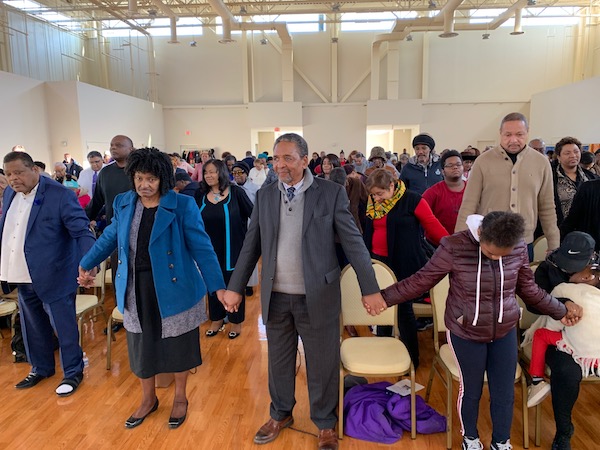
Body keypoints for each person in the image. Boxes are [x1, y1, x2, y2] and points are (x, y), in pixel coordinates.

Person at [222, 133, 387, 450]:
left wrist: (370, 288)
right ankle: (280, 413)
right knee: (279, 362)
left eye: (287, 158)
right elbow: (251, 245)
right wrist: (235, 287)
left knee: (322, 362)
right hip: (276, 296)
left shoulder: (331, 193)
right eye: (276, 158)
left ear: (304, 160)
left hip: (318, 295)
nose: (280, 165)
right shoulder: (266, 195)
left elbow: (353, 242)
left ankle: (325, 422)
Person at [380, 211, 572, 450]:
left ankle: (501, 441)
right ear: (480, 234)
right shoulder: (454, 246)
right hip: (466, 332)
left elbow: (528, 289)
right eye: (490, 253)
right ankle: (470, 438)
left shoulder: (518, 248)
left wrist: (560, 310)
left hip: (504, 330)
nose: (496, 258)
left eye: (502, 255)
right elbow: (422, 280)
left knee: (504, 392)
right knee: (471, 390)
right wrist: (384, 298)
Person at [78, 148, 225, 429]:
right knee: (141, 346)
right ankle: (148, 399)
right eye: (139, 178)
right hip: (135, 286)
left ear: (163, 179)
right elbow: (109, 236)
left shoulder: (182, 205)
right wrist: (86, 262)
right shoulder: (124, 202)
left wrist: (218, 288)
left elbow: (202, 248)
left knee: (178, 345)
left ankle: (180, 397)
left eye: (151, 179)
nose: (144, 185)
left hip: (175, 286)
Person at [1, 151, 95, 397]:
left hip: (55, 274)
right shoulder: (10, 193)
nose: (13, 178)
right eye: (8, 174)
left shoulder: (60, 195)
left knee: (63, 328)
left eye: (18, 172)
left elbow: (82, 232)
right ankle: (41, 368)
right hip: (21, 273)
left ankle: (73, 372)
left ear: (34, 170)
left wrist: (89, 262)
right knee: (32, 327)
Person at [364, 168, 448, 367]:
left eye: (380, 193)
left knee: (403, 310)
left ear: (391, 186)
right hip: (378, 262)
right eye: (373, 195)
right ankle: (384, 355)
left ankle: (411, 360)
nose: (376, 199)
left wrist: (452, 246)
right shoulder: (373, 203)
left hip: (403, 262)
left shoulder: (412, 199)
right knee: (381, 308)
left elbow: (431, 224)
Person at [456, 112, 560, 259]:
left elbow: (547, 206)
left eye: (519, 134)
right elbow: (469, 204)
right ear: (500, 133)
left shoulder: (541, 163)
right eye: (508, 135)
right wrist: (459, 242)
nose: (513, 140)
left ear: (527, 132)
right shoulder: (482, 161)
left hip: (524, 243)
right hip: (489, 243)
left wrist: (554, 244)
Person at [532, 231, 596, 449]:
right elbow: (533, 302)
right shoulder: (547, 268)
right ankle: (563, 431)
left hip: (594, 338)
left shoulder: (597, 271)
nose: (569, 270)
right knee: (567, 372)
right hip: (559, 339)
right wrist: (562, 303)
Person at [525, 261, 599, 409]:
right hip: (596, 358)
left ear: (586, 277)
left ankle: (537, 381)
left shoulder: (564, 289)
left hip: (579, 349)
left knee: (541, 334)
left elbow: (553, 327)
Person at [195, 159, 253, 339]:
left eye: (212, 171)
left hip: (233, 249)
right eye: (206, 172)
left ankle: (236, 321)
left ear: (221, 172)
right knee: (213, 285)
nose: (209, 175)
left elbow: (254, 215)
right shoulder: (200, 195)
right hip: (209, 251)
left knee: (234, 286)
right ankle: (217, 319)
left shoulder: (236, 193)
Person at [552, 136, 596, 228]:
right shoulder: (551, 177)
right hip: (561, 228)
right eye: (567, 153)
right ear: (559, 157)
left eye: (576, 152)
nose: (573, 155)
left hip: (588, 229)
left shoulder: (591, 177)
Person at [422, 150, 466, 235]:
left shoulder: (472, 189)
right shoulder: (433, 192)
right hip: (438, 241)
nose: (455, 167)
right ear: (442, 171)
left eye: (458, 164)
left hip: (467, 240)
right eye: (450, 165)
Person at [560, 179, 600, 251]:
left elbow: (570, 222)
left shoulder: (587, 187)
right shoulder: (588, 188)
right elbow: (570, 222)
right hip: (587, 250)